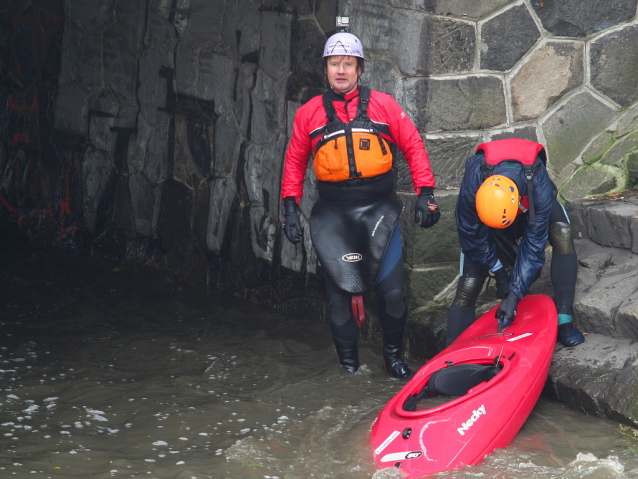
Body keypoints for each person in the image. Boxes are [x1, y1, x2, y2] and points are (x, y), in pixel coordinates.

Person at [281, 31, 440, 378]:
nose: (341, 70)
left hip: (379, 210)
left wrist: (425, 192)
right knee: (338, 301)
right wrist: (290, 209)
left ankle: (393, 358)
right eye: (335, 64)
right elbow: (294, 162)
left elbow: (413, 145)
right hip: (333, 216)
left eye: (348, 64)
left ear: (360, 70)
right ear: (325, 69)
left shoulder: (384, 105)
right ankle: (349, 368)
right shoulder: (309, 114)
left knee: (393, 294)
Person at [447, 138, 585, 348]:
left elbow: (533, 247)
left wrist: (513, 295)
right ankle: (451, 350)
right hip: (488, 219)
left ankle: (564, 320)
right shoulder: (473, 182)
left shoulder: (538, 184)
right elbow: (471, 235)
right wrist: (499, 273)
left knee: (562, 232)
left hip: (529, 209)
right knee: (469, 283)